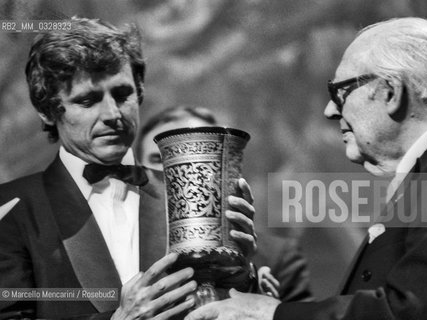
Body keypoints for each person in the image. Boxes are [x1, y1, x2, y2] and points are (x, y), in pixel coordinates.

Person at [185, 17, 427, 320]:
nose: (329, 110)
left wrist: (276, 315)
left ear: (391, 92)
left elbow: (417, 313)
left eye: (340, 91)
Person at [0, 17, 257, 320]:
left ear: (140, 91)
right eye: (87, 100)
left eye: (122, 95)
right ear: (47, 111)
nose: (112, 114)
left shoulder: (189, 193)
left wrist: (239, 271)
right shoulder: (11, 209)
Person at [136, 105, 314, 301]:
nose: (190, 172)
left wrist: (266, 305)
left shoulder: (276, 256)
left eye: (204, 154)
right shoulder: (128, 251)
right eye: (158, 159)